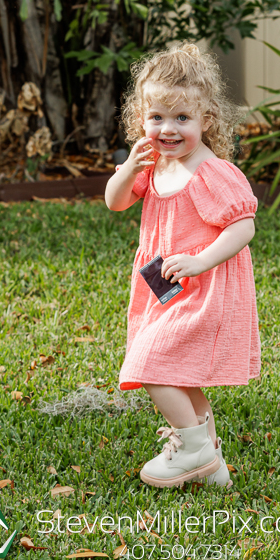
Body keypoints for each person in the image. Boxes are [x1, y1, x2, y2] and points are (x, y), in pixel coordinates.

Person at [105, 43, 260, 489]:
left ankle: (191, 448)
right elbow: (115, 204)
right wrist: (125, 170)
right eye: (156, 118)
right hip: (165, 289)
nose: (167, 129)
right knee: (182, 376)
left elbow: (242, 227)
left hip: (203, 287)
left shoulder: (210, 173)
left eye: (181, 119)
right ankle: (212, 465)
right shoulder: (152, 165)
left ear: (205, 120)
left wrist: (199, 260)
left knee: (150, 365)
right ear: (141, 119)